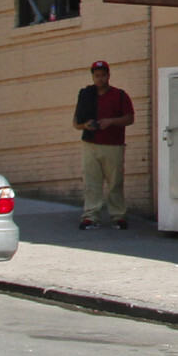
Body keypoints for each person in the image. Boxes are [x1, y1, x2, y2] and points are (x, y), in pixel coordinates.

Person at [75, 61, 135, 231]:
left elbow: (130, 118)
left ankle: (118, 216)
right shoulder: (86, 95)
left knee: (115, 182)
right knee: (91, 182)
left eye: (103, 75)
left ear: (108, 75)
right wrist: (85, 125)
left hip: (113, 145)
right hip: (90, 144)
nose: (99, 78)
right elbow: (76, 123)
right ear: (92, 77)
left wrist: (111, 122)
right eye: (96, 75)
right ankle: (90, 216)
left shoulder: (120, 95)